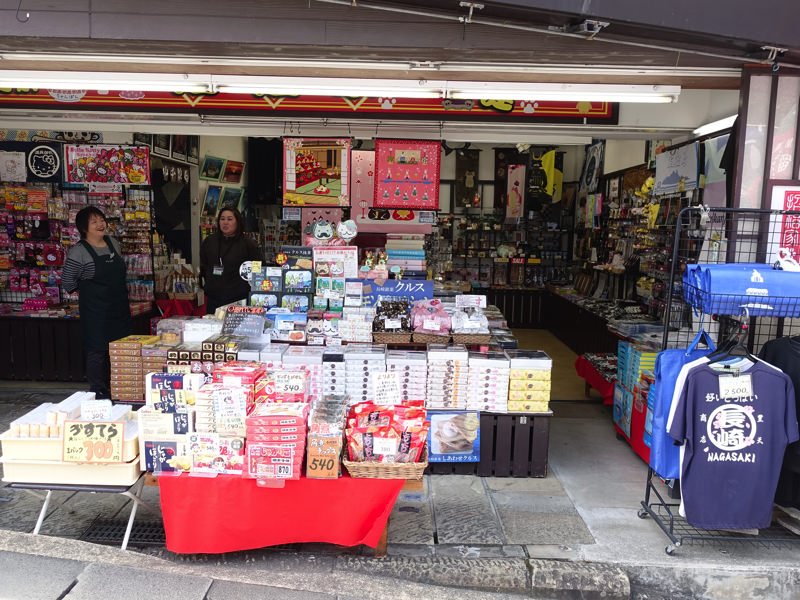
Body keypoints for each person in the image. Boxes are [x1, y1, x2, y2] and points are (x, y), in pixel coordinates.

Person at [62, 206, 132, 399]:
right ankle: (98, 391)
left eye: (101, 220)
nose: (100, 224)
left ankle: (120, 388)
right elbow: (67, 282)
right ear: (84, 228)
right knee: (98, 351)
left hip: (119, 307)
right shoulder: (79, 252)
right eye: (94, 222)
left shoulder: (113, 244)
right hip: (95, 311)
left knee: (119, 350)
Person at [200, 207, 261, 314]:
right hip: (214, 297)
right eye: (222, 219)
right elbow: (204, 264)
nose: (225, 222)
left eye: (229, 219)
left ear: (237, 221)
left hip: (238, 298)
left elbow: (258, 267)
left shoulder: (247, 244)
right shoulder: (210, 241)